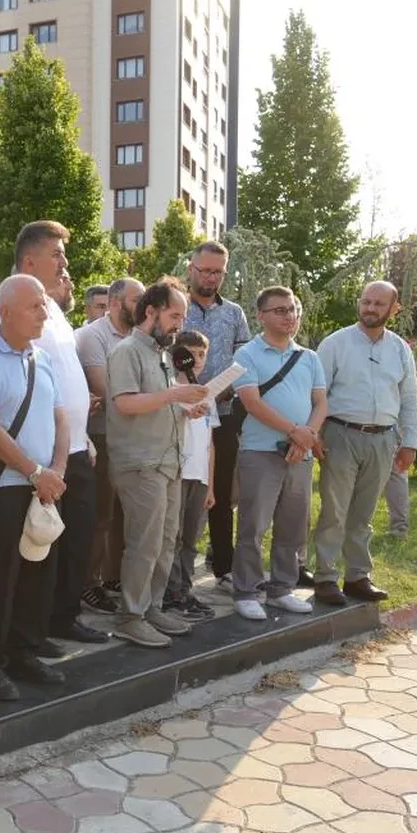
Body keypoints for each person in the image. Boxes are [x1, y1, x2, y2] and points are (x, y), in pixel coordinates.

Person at [0, 221, 107, 647]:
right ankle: (18, 639)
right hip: (28, 460)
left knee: (71, 542)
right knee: (32, 549)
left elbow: (60, 385)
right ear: (30, 260)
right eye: (57, 254)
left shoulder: (51, 311)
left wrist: (82, 437)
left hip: (69, 449)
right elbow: (6, 390)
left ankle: (59, 619)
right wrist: (38, 465)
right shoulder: (4, 311)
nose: (65, 261)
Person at [0, 274, 70, 701]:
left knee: (38, 574)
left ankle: (24, 653)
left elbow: (61, 419)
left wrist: (56, 472)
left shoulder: (41, 358)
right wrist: (34, 472)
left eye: (44, 305)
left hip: (45, 486)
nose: (44, 313)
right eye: (35, 306)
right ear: (5, 312)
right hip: (8, 486)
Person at [106, 279, 209, 648]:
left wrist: (185, 408)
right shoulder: (127, 351)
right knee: (145, 543)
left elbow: (158, 403)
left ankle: (150, 608)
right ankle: (129, 616)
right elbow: (126, 403)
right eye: (175, 314)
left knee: (166, 541)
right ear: (151, 312)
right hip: (140, 463)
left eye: (182, 315)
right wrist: (175, 394)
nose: (180, 322)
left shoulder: (164, 354)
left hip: (168, 461)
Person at [312, 281, 417, 605]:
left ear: (393, 309)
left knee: (364, 514)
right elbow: (316, 395)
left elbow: (409, 400)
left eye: (379, 304)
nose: (370, 308)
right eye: (366, 302)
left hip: (383, 440)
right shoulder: (335, 344)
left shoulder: (400, 349)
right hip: (340, 434)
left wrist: (410, 442)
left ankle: (357, 577)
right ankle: (326, 577)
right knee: (334, 510)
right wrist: (314, 433)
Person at [230, 287, 328, 620]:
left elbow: (321, 403)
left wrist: (307, 437)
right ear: (261, 315)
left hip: (300, 454)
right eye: (281, 310)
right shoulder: (247, 355)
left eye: (294, 309)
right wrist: (294, 431)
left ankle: (282, 588)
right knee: (253, 525)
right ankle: (247, 590)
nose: (290, 316)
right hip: (260, 452)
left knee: (293, 525)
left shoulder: (310, 357)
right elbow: (252, 402)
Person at [180, 243, 252, 588]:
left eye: (217, 271)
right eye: (204, 270)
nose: (210, 277)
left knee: (220, 492)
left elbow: (244, 360)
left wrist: (225, 390)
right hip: (177, 413)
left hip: (222, 411)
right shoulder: (176, 305)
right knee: (180, 493)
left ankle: (223, 567)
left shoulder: (234, 313)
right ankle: (175, 572)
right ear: (191, 267)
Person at [77, 276, 143, 614]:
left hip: (134, 435)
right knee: (101, 514)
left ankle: (114, 576)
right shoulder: (92, 336)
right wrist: (145, 395)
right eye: (136, 300)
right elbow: (110, 391)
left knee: (123, 513)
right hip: (102, 434)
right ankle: (88, 584)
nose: (144, 306)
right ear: (116, 302)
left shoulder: (139, 336)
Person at [161, 330, 219, 622]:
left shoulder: (209, 393)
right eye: (190, 354)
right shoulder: (170, 390)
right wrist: (185, 412)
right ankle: (169, 594)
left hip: (199, 476)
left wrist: (210, 485)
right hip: (176, 472)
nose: (196, 360)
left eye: (202, 354)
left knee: (191, 537)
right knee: (172, 535)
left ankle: (185, 589)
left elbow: (210, 444)